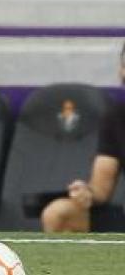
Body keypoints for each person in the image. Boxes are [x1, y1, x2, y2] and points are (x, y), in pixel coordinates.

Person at [41, 44, 125, 233]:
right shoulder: (116, 117)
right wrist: (87, 192)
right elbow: (101, 190)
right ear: (121, 72)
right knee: (59, 214)